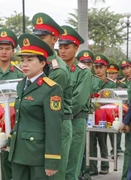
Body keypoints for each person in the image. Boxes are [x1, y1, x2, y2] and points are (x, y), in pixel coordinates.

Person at [8, 33, 63, 180]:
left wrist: (52, 160)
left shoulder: (51, 89)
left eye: (30, 60)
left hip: (37, 154)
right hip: (19, 152)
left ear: (42, 63)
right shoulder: (21, 85)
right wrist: (10, 139)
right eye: (22, 60)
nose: (24, 64)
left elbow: (54, 126)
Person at [32, 13, 73, 180]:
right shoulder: (38, 63)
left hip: (57, 125)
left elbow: (42, 100)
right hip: (42, 124)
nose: (39, 41)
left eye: (43, 37)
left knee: (55, 175)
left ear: (54, 39)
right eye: (37, 37)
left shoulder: (57, 70)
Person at [0, 28, 23, 180]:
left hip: (13, 125)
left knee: (9, 161)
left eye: (8, 49)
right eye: (1, 48)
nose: (4, 52)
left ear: (13, 51)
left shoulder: (19, 73)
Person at [58, 25, 92, 180]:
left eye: (67, 47)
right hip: (58, 121)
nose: (63, 51)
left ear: (76, 48)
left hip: (76, 120)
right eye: (61, 47)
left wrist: (56, 114)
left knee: (71, 165)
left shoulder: (83, 71)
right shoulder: (56, 69)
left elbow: (78, 101)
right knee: (57, 166)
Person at [89, 54, 117, 175]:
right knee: (91, 142)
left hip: (105, 117)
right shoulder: (91, 80)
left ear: (106, 68)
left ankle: (105, 165)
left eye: (101, 67)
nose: (98, 69)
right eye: (96, 67)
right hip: (92, 115)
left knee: (102, 140)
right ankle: (92, 168)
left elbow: (114, 101)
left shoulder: (110, 83)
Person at [76, 49, 101, 180]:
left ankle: (90, 169)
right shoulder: (74, 76)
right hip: (80, 114)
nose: (86, 65)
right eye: (83, 62)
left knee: (90, 144)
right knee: (79, 145)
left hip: (91, 114)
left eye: (89, 63)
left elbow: (92, 89)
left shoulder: (94, 79)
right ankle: (79, 171)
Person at [119, 60, 131, 180]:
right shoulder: (123, 82)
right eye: (124, 68)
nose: (126, 70)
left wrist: (126, 122)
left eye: (128, 67)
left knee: (129, 151)